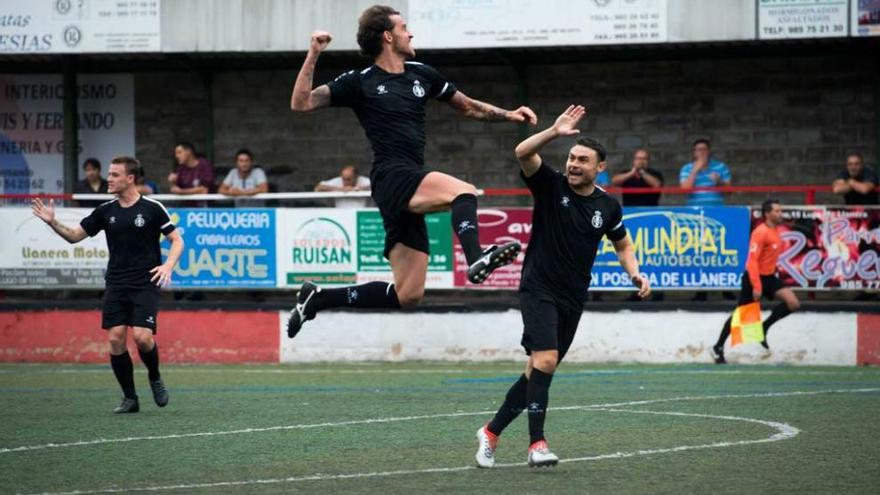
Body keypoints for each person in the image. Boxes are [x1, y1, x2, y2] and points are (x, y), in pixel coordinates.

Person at [285, 5, 537, 337]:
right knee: (463, 192)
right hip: (392, 176)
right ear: (388, 37)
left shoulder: (422, 74)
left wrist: (510, 115)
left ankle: (316, 299)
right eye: (404, 27)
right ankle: (477, 257)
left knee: (408, 295)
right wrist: (314, 52)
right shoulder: (359, 82)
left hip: (407, 181)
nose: (411, 33)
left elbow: (469, 106)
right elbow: (301, 103)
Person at [474, 106, 650, 468]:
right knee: (547, 360)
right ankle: (537, 444)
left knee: (536, 372)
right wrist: (554, 131)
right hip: (538, 287)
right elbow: (523, 153)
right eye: (571, 157)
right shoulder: (551, 185)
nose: (573, 164)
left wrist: (635, 272)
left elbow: (623, 244)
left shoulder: (608, 207)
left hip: (572, 297)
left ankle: (490, 432)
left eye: (582, 160)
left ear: (600, 167)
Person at [31, 156, 184, 413]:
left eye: (114, 175)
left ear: (130, 178)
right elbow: (74, 237)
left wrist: (168, 265)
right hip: (116, 282)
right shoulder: (105, 211)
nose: (109, 179)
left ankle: (155, 377)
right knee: (115, 340)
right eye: (110, 174)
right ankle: (130, 398)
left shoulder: (153, 208)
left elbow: (177, 240)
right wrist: (52, 222)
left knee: (142, 337)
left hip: (145, 282)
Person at [710, 199, 800, 365]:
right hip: (754, 278)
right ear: (767, 214)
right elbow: (752, 261)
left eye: (781, 210)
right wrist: (757, 286)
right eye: (777, 211)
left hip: (770, 277)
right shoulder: (760, 232)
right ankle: (718, 347)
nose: (781, 214)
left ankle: (764, 327)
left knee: (793, 303)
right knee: (741, 316)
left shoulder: (776, 231)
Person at [678, 138, 731, 206]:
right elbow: (684, 190)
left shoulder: (721, 166)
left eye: (704, 149)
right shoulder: (686, 168)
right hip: (694, 209)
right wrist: (694, 171)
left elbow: (729, 191)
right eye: (699, 150)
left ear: (709, 151)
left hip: (717, 208)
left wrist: (719, 181)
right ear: (694, 153)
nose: (702, 152)